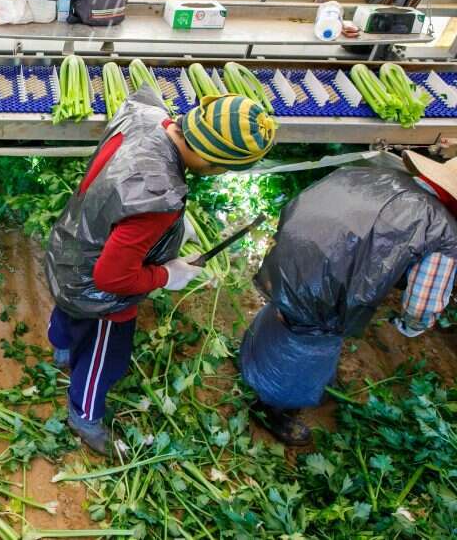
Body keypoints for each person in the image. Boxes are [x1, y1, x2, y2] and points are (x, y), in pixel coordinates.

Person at [45, 88, 277, 455]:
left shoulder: (146, 113)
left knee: (67, 312)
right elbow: (110, 280)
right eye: (222, 168)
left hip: (71, 246)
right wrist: (168, 275)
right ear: (211, 160)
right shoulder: (158, 197)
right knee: (106, 354)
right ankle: (84, 413)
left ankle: (60, 348)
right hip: (97, 289)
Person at [242, 152, 457, 446]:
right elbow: (421, 304)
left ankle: (251, 358)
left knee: (283, 314)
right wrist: (409, 325)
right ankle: (272, 407)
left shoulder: (378, 176)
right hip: (325, 295)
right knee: (309, 348)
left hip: (289, 254)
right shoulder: (444, 232)